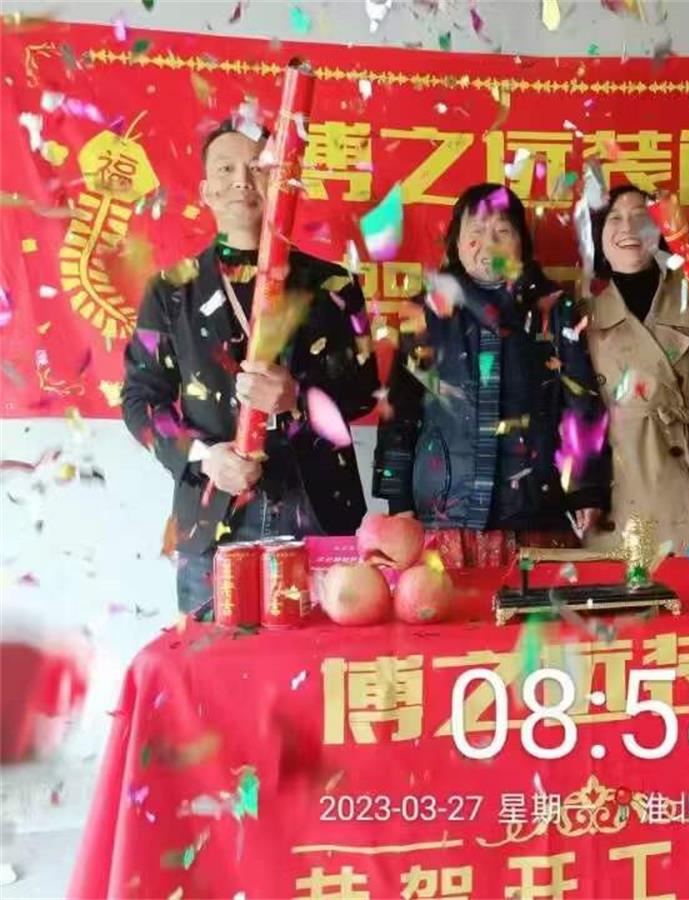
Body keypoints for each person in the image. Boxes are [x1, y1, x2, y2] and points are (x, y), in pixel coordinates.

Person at [122, 119, 379, 612]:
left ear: (282, 182)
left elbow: (364, 389)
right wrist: (204, 457)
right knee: (213, 659)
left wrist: (299, 397)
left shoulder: (334, 285)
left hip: (320, 510)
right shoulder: (170, 291)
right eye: (226, 169)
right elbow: (140, 401)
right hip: (212, 518)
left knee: (325, 657)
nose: (243, 180)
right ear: (207, 191)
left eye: (259, 167)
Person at [373, 183, 608, 568]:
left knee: (536, 608)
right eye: (476, 232)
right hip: (445, 517)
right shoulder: (426, 312)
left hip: (537, 513)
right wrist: (398, 499)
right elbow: (399, 411)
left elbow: (580, 403)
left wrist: (587, 489)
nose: (489, 243)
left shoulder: (554, 309)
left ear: (521, 243)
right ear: (457, 243)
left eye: (502, 231)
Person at [584, 185, 689, 553]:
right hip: (617, 483)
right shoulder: (582, 312)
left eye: (640, 217)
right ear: (598, 236)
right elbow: (572, 411)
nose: (628, 228)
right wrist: (581, 491)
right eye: (614, 218)